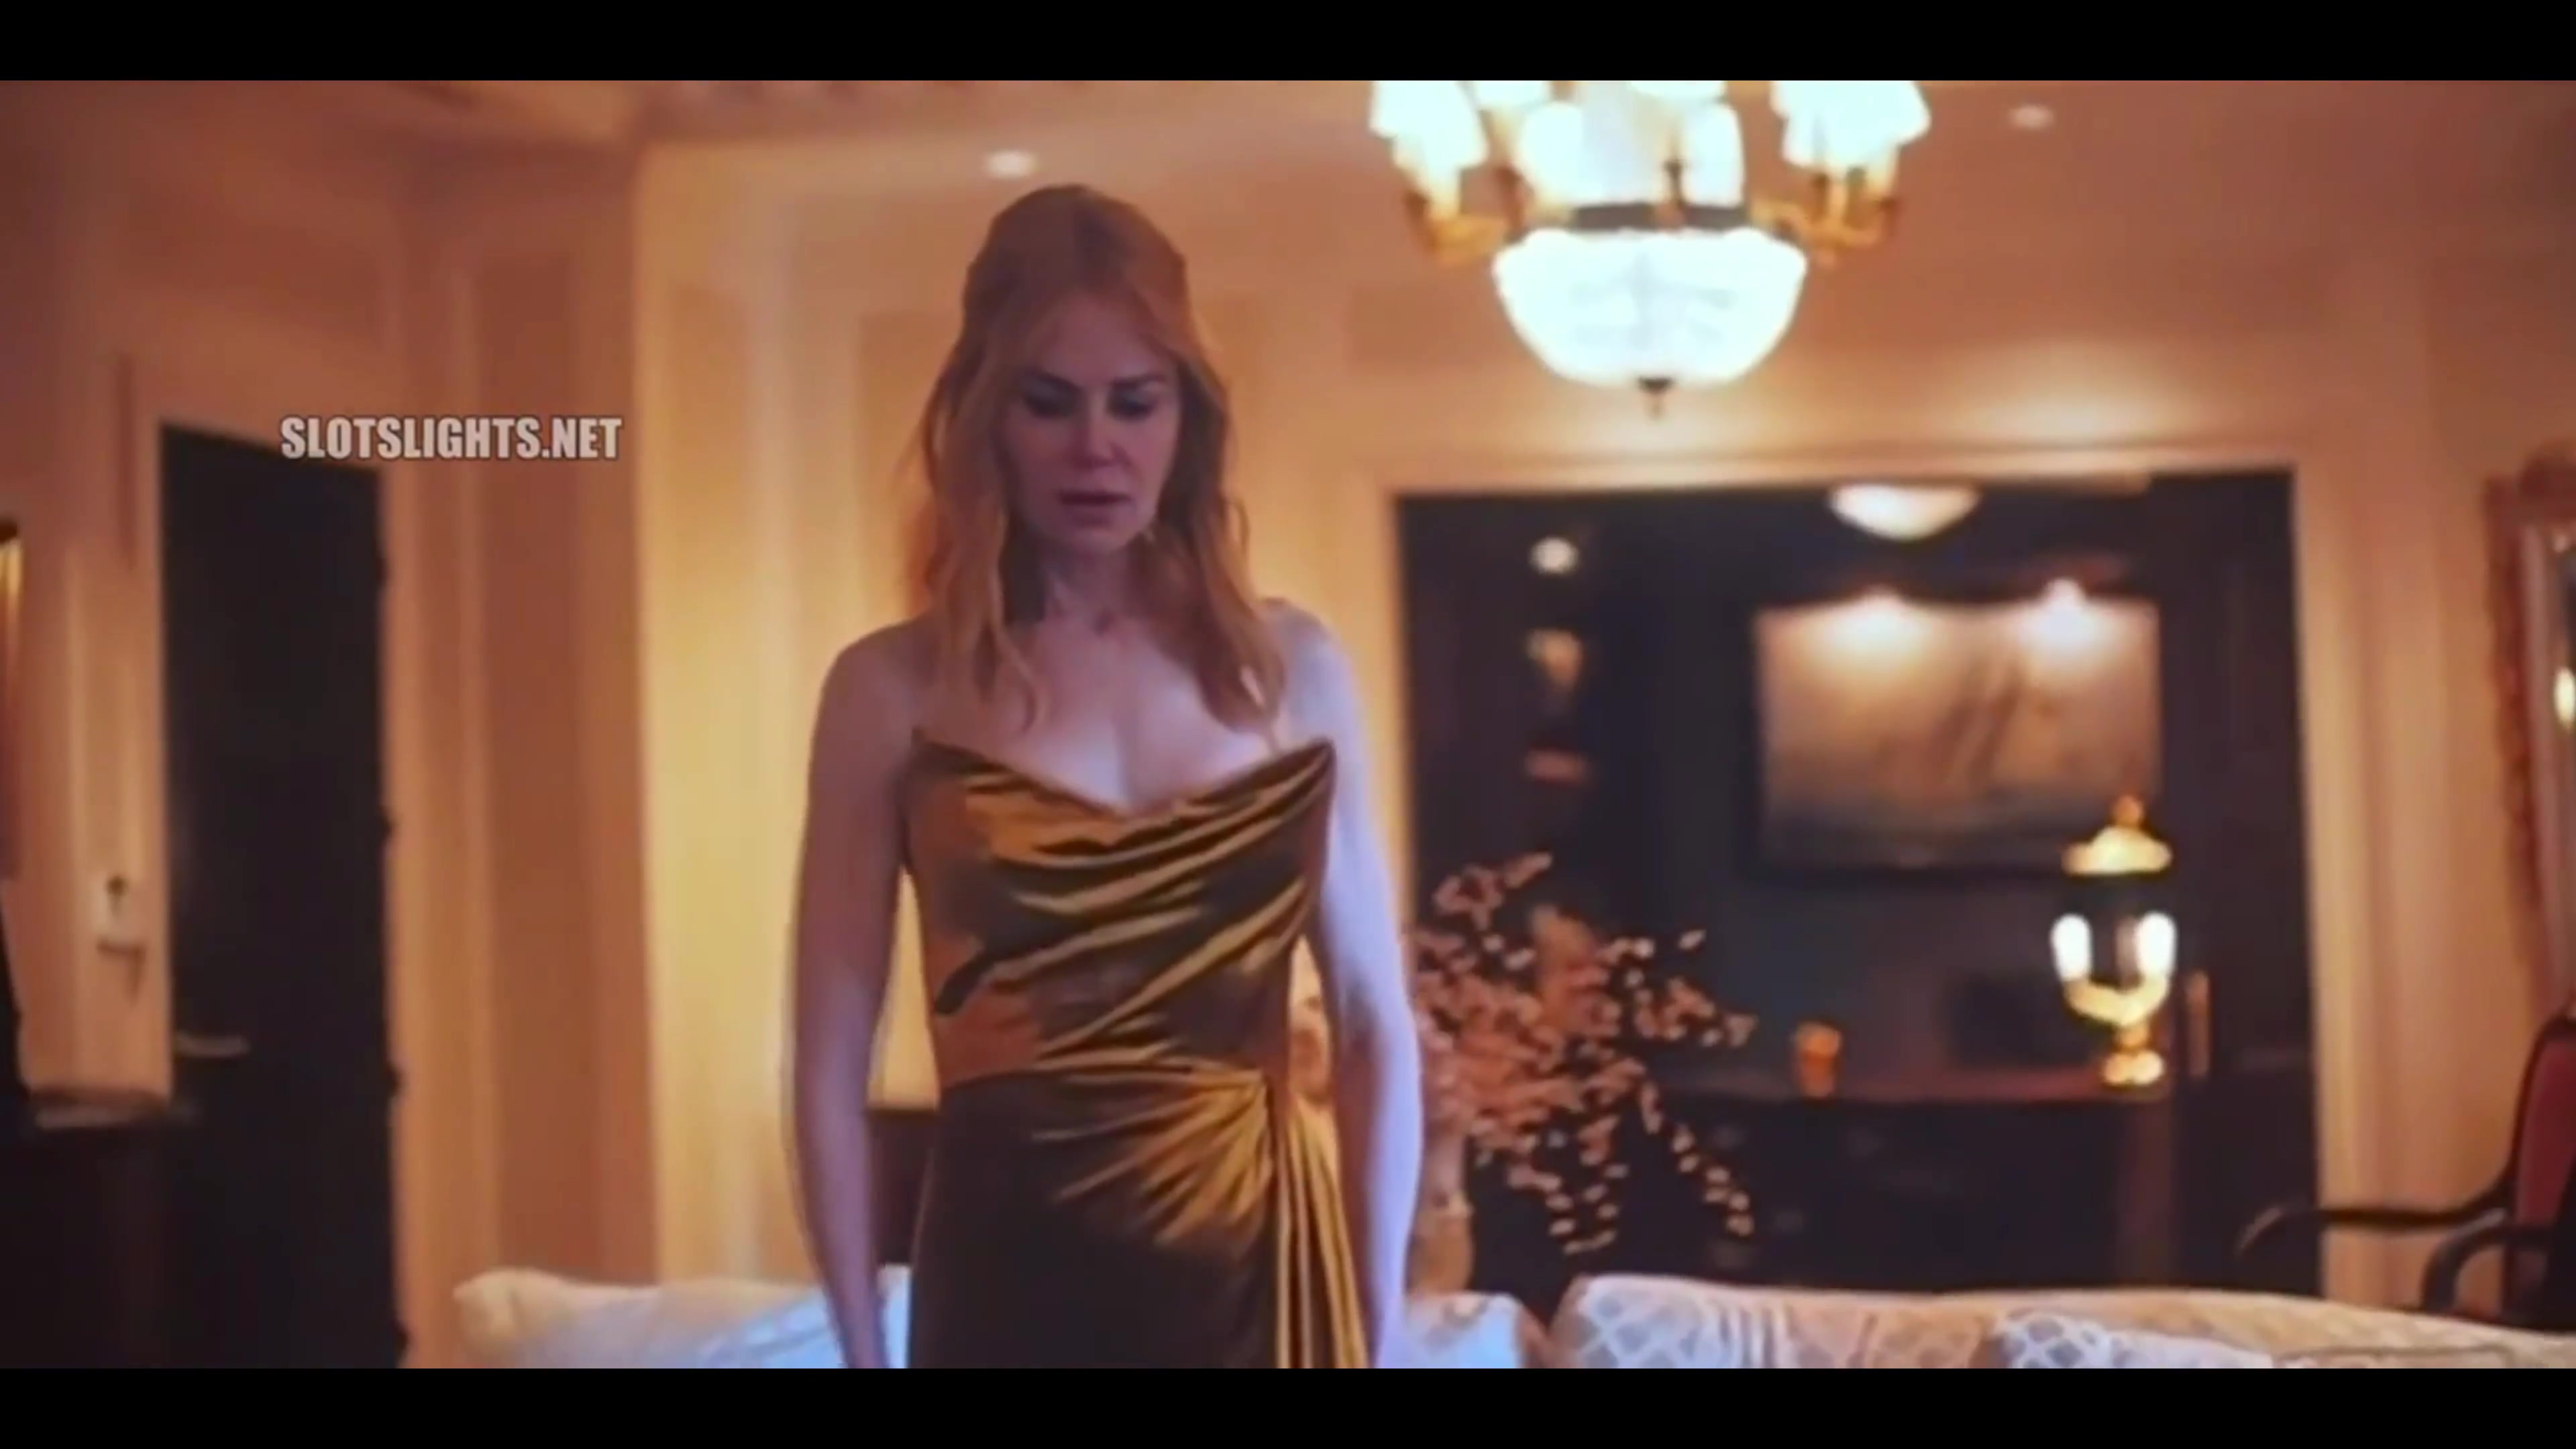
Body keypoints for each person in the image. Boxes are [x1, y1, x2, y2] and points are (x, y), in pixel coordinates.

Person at [789, 184, 1424, 1368]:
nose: (1098, 446)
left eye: (1136, 401)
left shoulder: (1290, 669)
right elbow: (829, 1064)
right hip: (1009, 1279)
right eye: (1050, 403)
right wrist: (864, 1352)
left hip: (1264, 1283)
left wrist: (1378, 1337)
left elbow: (1374, 1025)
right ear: (987, 418)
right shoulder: (891, 689)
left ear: (1187, 418)